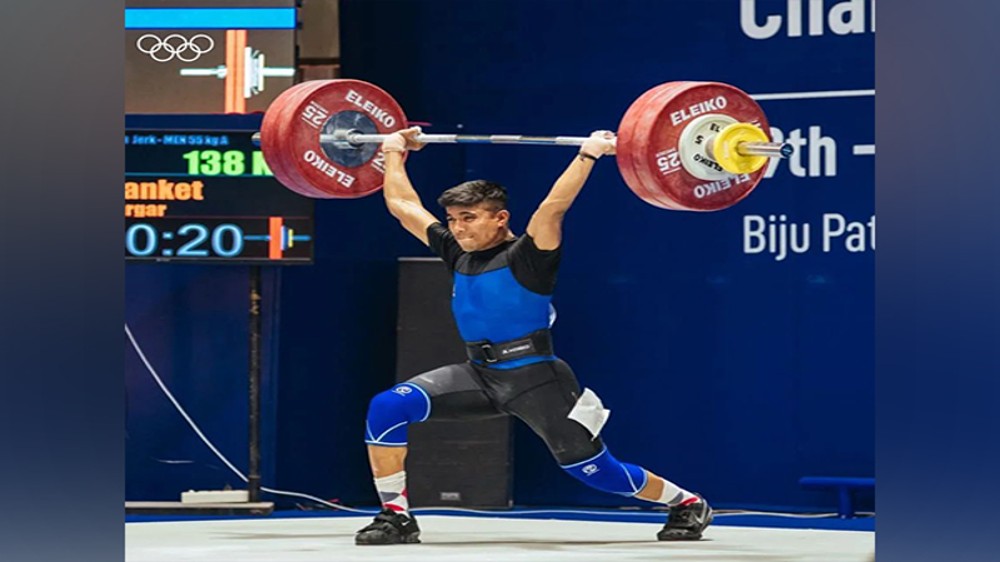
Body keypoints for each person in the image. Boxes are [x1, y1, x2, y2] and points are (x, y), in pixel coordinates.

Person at [354, 127, 713, 545]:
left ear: (500, 218)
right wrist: (393, 150)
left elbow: (553, 207)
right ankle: (396, 517)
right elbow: (403, 206)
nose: (458, 228)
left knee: (596, 471)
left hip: (536, 380)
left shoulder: (529, 255)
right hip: (479, 375)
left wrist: (588, 154)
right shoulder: (457, 252)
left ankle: (687, 503)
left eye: (468, 218)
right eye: (452, 220)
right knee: (387, 407)